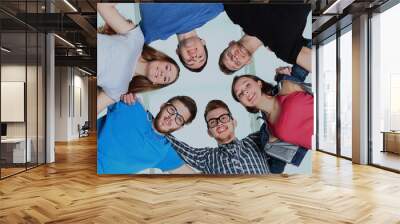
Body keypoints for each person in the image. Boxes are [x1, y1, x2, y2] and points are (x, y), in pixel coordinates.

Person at [97, 3, 180, 113]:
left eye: (165, 79)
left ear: (156, 83)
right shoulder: (137, 39)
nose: (162, 73)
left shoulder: (120, 91)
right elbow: (103, 6)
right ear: (161, 58)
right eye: (167, 68)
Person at [231, 70, 313, 172]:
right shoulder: (269, 136)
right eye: (240, 94)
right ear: (243, 104)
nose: (245, 92)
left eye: (247, 85)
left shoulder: (286, 86)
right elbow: (275, 171)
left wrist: (281, 75)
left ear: (259, 83)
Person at [166, 100, 272, 174]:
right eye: (213, 122)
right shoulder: (207, 157)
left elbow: (275, 121)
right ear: (209, 132)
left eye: (224, 118)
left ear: (234, 122)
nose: (219, 123)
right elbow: (175, 145)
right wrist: (153, 122)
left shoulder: (255, 141)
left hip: (265, 202)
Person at [97, 95, 197, 174]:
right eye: (172, 110)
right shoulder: (132, 104)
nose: (171, 118)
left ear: (180, 127)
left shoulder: (164, 152)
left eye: (179, 119)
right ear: (163, 106)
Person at [219, 4, 311, 74]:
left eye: (229, 55)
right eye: (237, 63)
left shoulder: (235, 12)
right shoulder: (283, 50)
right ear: (248, 62)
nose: (235, 57)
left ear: (231, 43)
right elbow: (318, 63)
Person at [139, 3, 224, 72]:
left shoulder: (153, 31)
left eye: (190, 61)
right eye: (200, 57)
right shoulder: (213, 9)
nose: (194, 57)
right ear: (203, 42)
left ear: (178, 52)